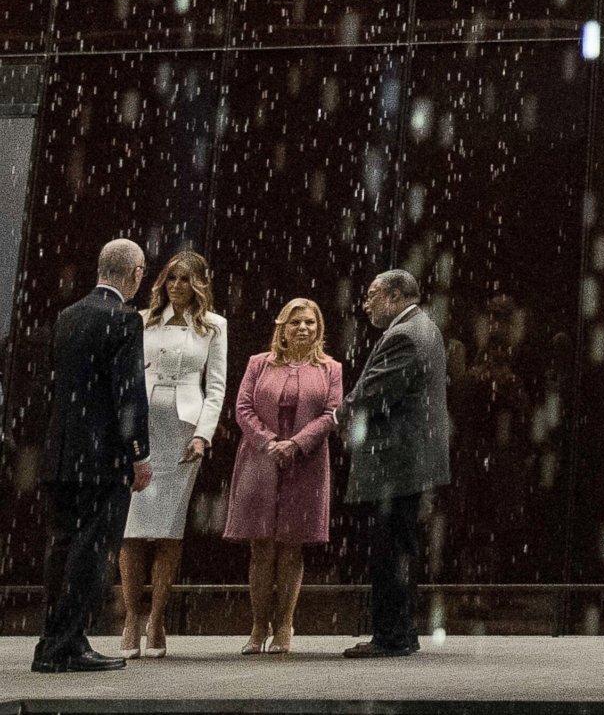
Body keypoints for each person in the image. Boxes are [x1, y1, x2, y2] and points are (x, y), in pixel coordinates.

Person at [31, 239, 151, 675]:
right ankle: (68, 643)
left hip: (61, 455)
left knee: (61, 548)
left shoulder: (68, 316)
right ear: (136, 272)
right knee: (91, 551)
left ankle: (51, 640)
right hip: (101, 461)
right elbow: (128, 396)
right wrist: (139, 453)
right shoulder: (124, 320)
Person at [117, 251, 228, 660]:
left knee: (168, 530)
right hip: (143, 430)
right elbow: (128, 378)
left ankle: (157, 619)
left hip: (183, 431)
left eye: (184, 280)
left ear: (198, 283)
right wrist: (124, 431)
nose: (176, 286)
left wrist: (203, 435)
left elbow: (215, 387)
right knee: (131, 529)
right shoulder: (141, 319)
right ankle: (131, 617)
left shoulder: (215, 327)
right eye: (170, 280)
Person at [339, 269, 450, 659]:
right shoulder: (424, 328)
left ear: (398, 296)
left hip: (395, 462)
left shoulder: (404, 335)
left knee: (390, 551)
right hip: (409, 460)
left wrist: (334, 415)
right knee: (400, 548)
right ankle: (402, 631)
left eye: (372, 295)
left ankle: (391, 635)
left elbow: (373, 393)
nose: (365, 303)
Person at [223, 298, 343, 655]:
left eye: (309, 322)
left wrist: (297, 443)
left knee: (292, 547)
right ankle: (259, 626)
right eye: (296, 323)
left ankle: (285, 626)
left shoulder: (330, 368)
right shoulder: (258, 364)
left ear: (319, 328)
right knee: (260, 547)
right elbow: (242, 408)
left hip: (306, 462)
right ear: (283, 328)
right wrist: (269, 441)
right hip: (260, 461)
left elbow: (331, 413)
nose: (303, 328)